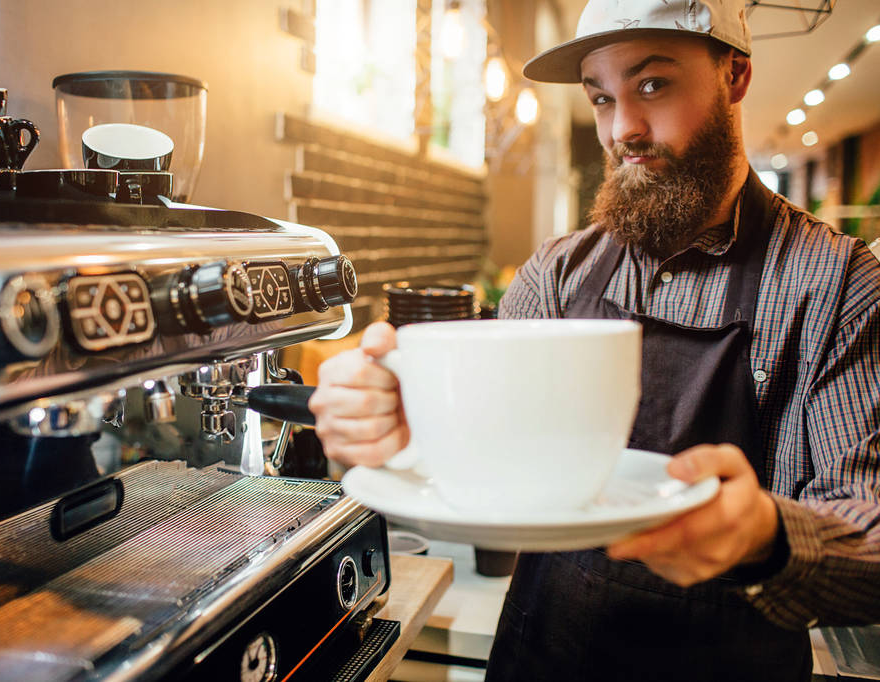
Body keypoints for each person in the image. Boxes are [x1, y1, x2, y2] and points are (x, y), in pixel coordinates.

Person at [308, 0, 880, 679]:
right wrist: (399, 418)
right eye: (601, 98)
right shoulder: (557, 270)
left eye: (651, 85)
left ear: (734, 76)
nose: (623, 129)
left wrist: (764, 538)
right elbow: (488, 442)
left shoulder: (836, 284)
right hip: (545, 655)